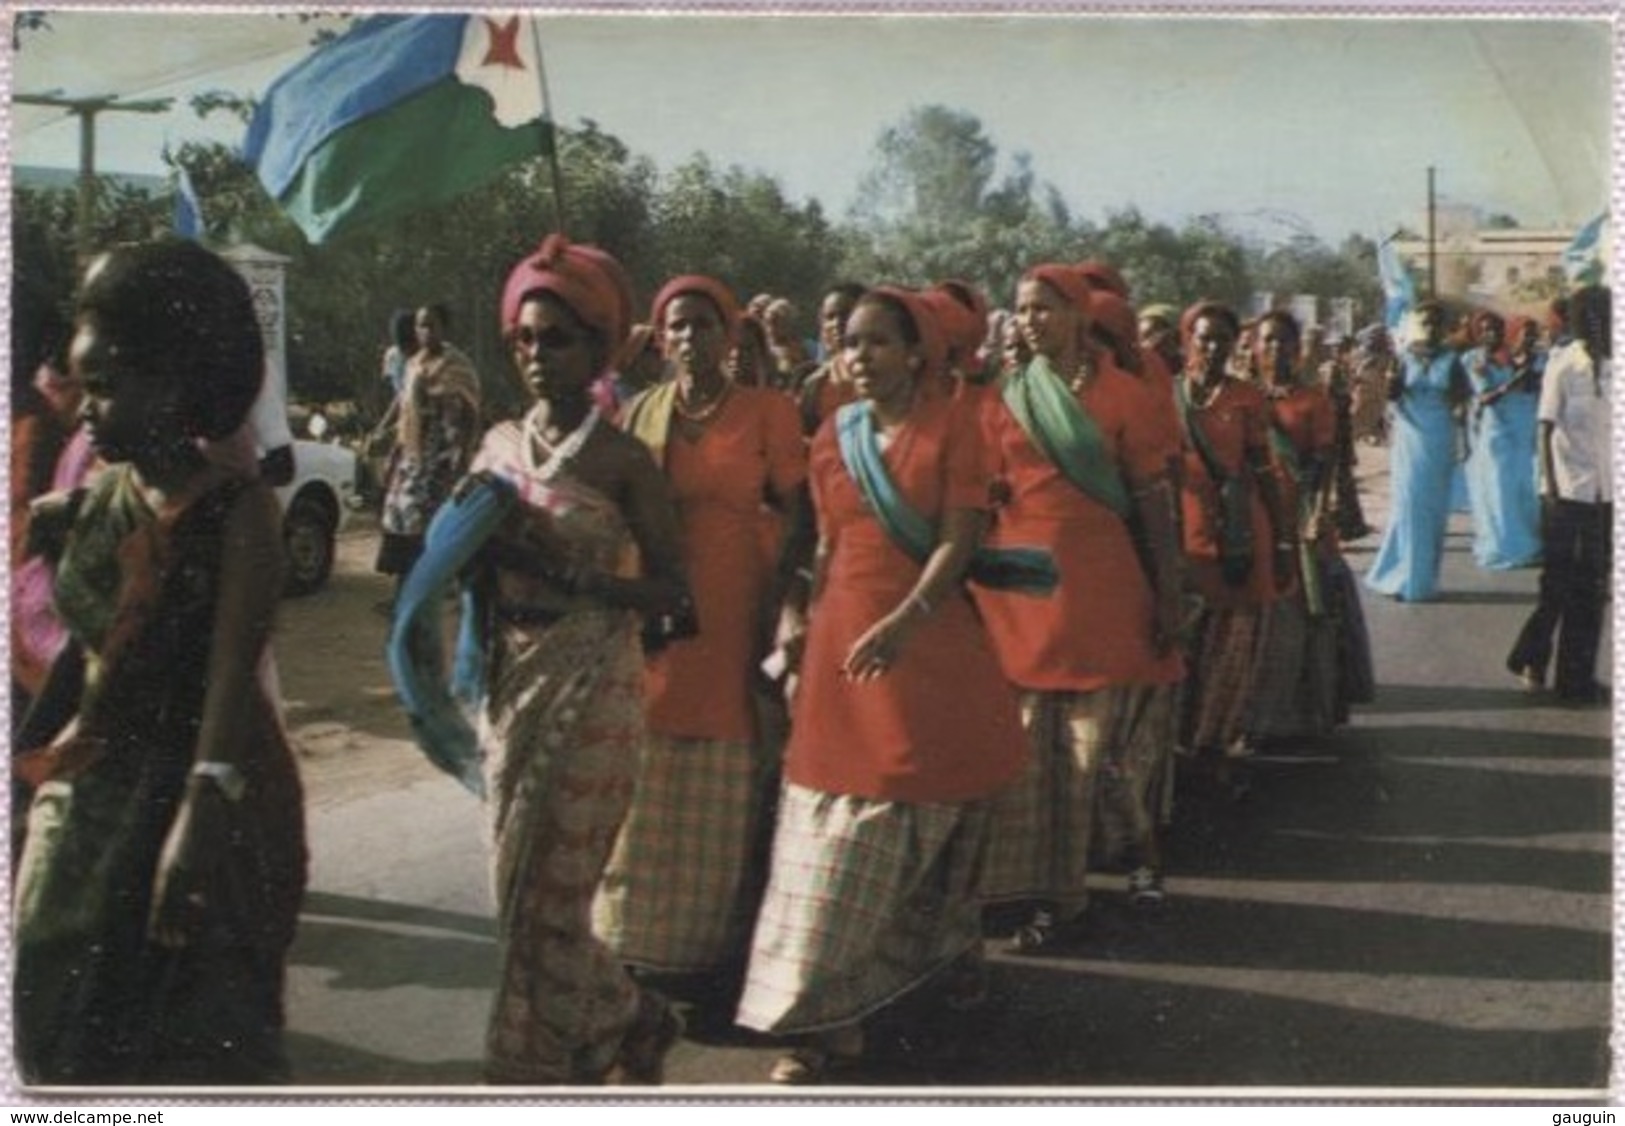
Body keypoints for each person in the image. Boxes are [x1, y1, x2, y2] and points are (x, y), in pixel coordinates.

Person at [388, 235, 693, 1084]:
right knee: (513, 895)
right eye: (522, 338)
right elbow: (459, 565)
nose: (533, 354)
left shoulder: (624, 460)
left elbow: (675, 593)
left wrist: (578, 574)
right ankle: (626, 1016)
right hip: (511, 678)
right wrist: (469, 532)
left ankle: (538, 1066)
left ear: (597, 347)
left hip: (594, 677)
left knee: (550, 901)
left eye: (553, 338)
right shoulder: (495, 447)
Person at [13, 239, 306, 1084]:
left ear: (173, 382)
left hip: (199, 794)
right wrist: (32, 771)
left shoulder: (234, 513)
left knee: (191, 1032)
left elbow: (228, 678)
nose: (86, 408)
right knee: (61, 1009)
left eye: (104, 386)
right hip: (99, 787)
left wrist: (199, 817)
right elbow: (88, 650)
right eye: (79, 383)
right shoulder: (101, 499)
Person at [735, 287, 1027, 1084]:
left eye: (877, 343)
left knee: (918, 830)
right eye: (850, 343)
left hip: (924, 651)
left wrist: (904, 622)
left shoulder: (953, 429)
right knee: (827, 836)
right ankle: (831, 1023)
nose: (859, 356)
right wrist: (797, 629)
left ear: (914, 353)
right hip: (841, 648)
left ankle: (940, 964)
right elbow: (823, 543)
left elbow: (958, 542)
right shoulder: (833, 431)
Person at [599, 275, 810, 1007]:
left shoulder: (767, 412)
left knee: (732, 766)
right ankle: (636, 948)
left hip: (738, 611)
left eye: (703, 325)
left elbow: (800, 515)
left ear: (730, 335)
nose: (689, 338)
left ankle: (719, 957)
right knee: (651, 774)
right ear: (659, 341)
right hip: (662, 619)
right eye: (675, 327)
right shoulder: (638, 413)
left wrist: (777, 610)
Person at [973, 264, 1185, 949]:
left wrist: (1168, 589)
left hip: (1101, 590)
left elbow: (1152, 500)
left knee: (1092, 757)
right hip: (1020, 591)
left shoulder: (1124, 396)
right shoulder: (1003, 396)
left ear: (1076, 315)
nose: (1029, 320)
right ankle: (1042, 901)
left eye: (1043, 308)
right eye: (1020, 310)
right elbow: (982, 488)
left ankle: (1120, 867)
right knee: (1029, 758)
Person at [1174, 301, 1295, 786]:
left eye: (1222, 340)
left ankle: (1215, 744)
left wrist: (1284, 543)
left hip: (1238, 536)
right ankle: (1181, 744)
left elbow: (1267, 474)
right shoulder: (1167, 397)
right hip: (1183, 534)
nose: (1211, 348)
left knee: (1230, 649)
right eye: (1203, 338)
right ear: (1189, 340)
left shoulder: (1245, 399)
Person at [1242, 310, 1347, 745]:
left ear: (1297, 347)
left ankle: (1296, 714)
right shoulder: (1242, 397)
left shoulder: (1312, 400)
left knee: (1301, 614)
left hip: (1297, 512)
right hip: (1250, 515)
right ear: (1253, 346)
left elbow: (1324, 461)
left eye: (1284, 341)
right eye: (1267, 341)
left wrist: (1317, 512)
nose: (1275, 349)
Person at [1506, 284, 1612, 704]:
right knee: (1558, 585)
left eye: (1607, 318)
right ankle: (1531, 654)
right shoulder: (1562, 364)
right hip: (1565, 491)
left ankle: (1575, 678)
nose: (1600, 326)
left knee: (1593, 587)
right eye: (1592, 318)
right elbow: (1545, 426)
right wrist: (1549, 487)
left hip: (1606, 495)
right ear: (1577, 322)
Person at [374, 303, 482, 607]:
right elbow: (405, 413)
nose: (425, 332)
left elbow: (469, 414)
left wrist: (462, 460)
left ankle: (427, 594)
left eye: (432, 325)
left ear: (445, 329)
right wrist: (395, 453)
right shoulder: (413, 364)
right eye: (421, 326)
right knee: (398, 520)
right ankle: (404, 595)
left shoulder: (456, 365)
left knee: (427, 524)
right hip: (412, 458)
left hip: (443, 459)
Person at [1364, 300, 1470, 602]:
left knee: (1431, 510)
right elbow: (1392, 396)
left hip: (1439, 437)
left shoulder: (1453, 360)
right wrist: (1390, 382)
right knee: (1408, 504)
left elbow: (1460, 399)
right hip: (1410, 436)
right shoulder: (1403, 357)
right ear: (1417, 324)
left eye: (1437, 322)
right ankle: (1397, 575)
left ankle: (1420, 579)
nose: (1431, 327)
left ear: (1444, 326)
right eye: (1425, 321)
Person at [1462, 310, 1542, 570]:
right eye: (1485, 329)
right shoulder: (1472, 359)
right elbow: (1484, 397)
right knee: (1497, 485)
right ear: (1477, 332)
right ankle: (1504, 543)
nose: (1491, 333)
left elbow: (1530, 384)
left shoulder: (1512, 356)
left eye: (1496, 328)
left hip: (1521, 425)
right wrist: (1511, 385)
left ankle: (1526, 539)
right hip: (1495, 428)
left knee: (1521, 485)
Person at [797, 282, 868, 434]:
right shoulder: (813, 384)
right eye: (830, 317)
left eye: (846, 314)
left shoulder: (886, 375)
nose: (837, 323)